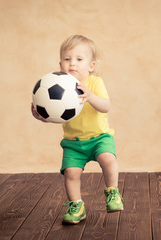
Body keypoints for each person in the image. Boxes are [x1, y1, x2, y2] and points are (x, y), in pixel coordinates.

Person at [31, 35, 123, 224]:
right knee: (71, 173)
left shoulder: (95, 83)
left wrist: (90, 96)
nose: (72, 63)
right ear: (60, 64)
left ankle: (112, 192)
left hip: (99, 137)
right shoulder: (58, 85)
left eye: (79, 59)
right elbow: (58, 115)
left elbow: (106, 106)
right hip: (73, 143)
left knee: (108, 158)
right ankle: (77, 205)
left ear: (91, 65)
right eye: (67, 59)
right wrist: (43, 117)